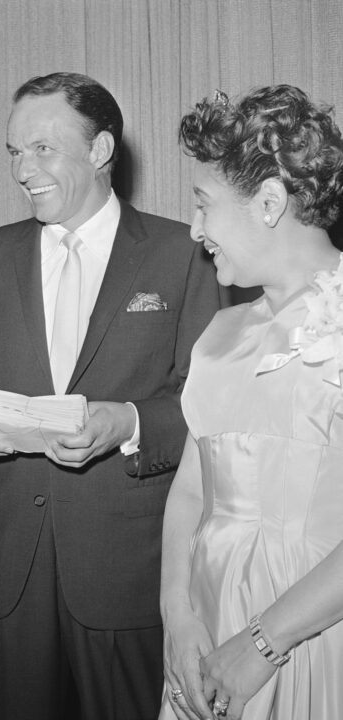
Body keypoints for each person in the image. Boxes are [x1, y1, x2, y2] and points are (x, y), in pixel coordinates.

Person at [0, 71, 222, 720]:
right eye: (14, 151)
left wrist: (127, 420)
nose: (22, 170)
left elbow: (208, 404)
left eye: (42, 148)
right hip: (11, 563)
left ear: (100, 151)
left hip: (127, 567)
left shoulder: (184, 254)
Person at [159, 84, 343, 720]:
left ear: (269, 203)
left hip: (311, 637)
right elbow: (189, 491)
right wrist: (177, 617)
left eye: (204, 205)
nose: (194, 229)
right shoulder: (220, 335)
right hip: (207, 633)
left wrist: (264, 642)